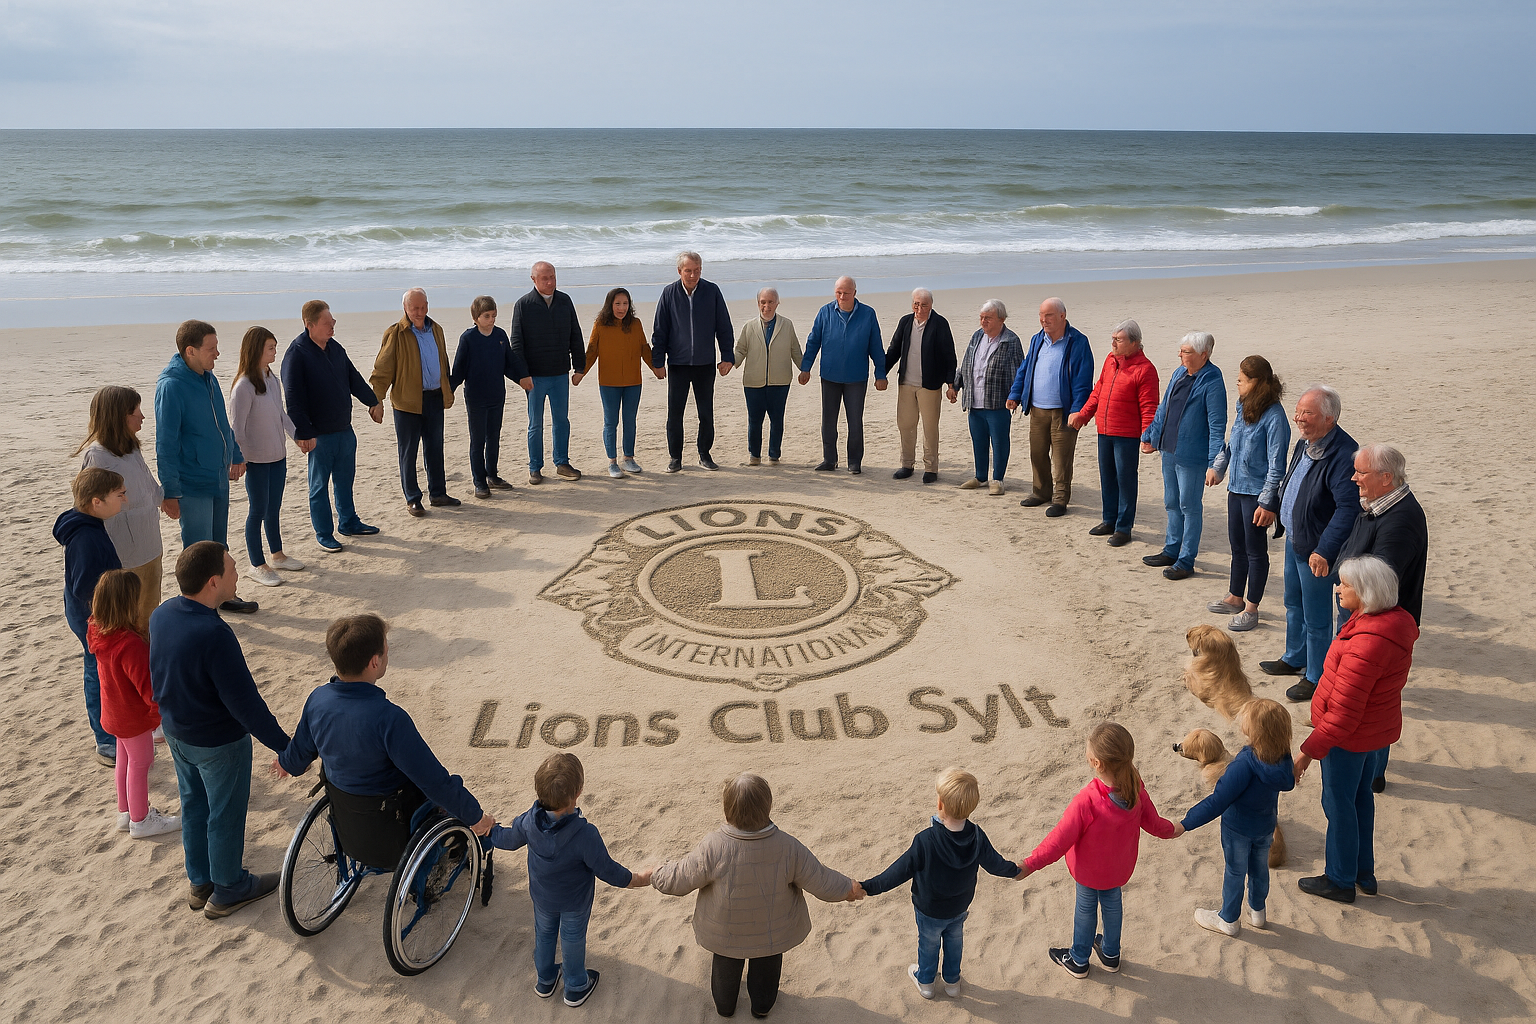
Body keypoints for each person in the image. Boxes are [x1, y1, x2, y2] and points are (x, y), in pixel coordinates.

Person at [150, 541, 292, 919]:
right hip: (218, 742)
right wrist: (286, 748)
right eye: (231, 568)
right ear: (213, 582)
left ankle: (200, 882)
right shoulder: (215, 634)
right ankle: (229, 886)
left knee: (194, 805)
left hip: (178, 733)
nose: (235, 572)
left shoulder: (162, 615)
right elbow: (246, 706)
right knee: (225, 814)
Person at [274, 614, 494, 856]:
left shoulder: (318, 699)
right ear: (375, 662)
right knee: (449, 790)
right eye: (386, 651)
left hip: (348, 819)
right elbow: (433, 780)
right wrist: (475, 816)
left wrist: (286, 763)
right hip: (393, 825)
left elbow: (300, 752)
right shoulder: (389, 718)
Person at [652, 773, 863, 1019]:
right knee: (767, 970)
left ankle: (725, 1007)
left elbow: (680, 878)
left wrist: (655, 874)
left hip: (725, 933)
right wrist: (847, 889)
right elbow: (821, 879)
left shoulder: (713, 846)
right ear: (768, 807)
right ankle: (761, 1008)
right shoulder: (788, 846)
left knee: (724, 971)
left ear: (726, 811)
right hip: (771, 932)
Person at [1293, 556, 1416, 903]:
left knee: (1339, 804)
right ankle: (1363, 872)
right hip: (1374, 733)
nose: (1337, 588)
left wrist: (1306, 752)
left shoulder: (1367, 643)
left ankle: (1340, 880)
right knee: (1360, 799)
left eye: (1344, 584)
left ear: (1364, 592)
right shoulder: (1388, 624)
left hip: (1350, 739)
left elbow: (1344, 715)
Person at [1019, 722, 1182, 979]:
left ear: (1097, 763)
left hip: (1089, 872)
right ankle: (1110, 954)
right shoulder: (1135, 785)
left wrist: (1030, 864)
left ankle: (1078, 959)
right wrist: (1175, 828)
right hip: (1118, 870)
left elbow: (1059, 840)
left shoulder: (1088, 800)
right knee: (1113, 905)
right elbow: (1155, 824)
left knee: (1085, 910)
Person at [490, 752, 651, 1007]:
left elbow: (508, 840)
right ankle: (575, 986)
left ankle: (545, 980)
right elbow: (606, 869)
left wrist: (491, 830)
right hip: (575, 902)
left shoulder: (529, 822)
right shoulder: (585, 835)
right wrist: (637, 878)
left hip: (542, 897)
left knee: (544, 934)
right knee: (572, 939)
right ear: (578, 792)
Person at [858, 768, 1023, 1000]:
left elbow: (898, 872)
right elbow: (995, 864)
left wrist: (868, 887)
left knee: (928, 945)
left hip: (929, 910)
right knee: (955, 943)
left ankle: (925, 981)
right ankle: (952, 982)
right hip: (959, 907)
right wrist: (1015, 870)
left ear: (940, 803)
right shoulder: (977, 835)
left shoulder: (925, 840)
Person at [1258, 386, 1360, 702]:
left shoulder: (1344, 453)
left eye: (1307, 414)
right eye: (1299, 412)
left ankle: (1316, 676)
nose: (1299, 419)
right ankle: (1294, 656)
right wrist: (1273, 504)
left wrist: (1325, 550)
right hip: (1294, 539)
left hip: (1317, 549)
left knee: (1316, 617)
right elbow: (1290, 479)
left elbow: (1348, 509)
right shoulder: (1306, 442)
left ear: (1329, 418)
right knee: (1292, 602)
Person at [1336, 443, 1428, 792]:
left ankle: (1372, 772)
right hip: (1364, 620)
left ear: (1386, 477)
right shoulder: (1379, 504)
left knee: (1375, 700)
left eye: (1361, 472)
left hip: (1378, 627)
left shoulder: (1401, 519)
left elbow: (1380, 580)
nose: (1354, 477)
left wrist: (1346, 589)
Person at [155, 320, 257, 613]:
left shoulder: (207, 376)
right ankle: (198, 611)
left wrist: (235, 453)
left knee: (218, 548)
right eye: (211, 349)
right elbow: (165, 443)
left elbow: (222, 423)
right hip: (192, 484)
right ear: (190, 351)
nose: (218, 354)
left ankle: (222, 597)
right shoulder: (171, 386)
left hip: (217, 478)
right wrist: (170, 492)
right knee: (198, 553)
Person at [1179, 699, 1295, 937]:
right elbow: (1289, 781)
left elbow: (1218, 801)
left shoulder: (1244, 764)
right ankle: (1257, 912)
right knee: (1259, 868)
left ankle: (1228, 919)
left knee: (1235, 871)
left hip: (1238, 830)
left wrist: (1185, 823)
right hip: (1265, 827)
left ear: (1254, 732)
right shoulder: (1283, 759)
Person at [281, 299, 384, 553]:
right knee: (319, 487)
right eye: (327, 323)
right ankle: (324, 533)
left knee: (345, 481)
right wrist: (302, 433)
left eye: (333, 321)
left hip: (344, 430)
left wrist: (373, 402)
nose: (332, 326)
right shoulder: (296, 354)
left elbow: (354, 379)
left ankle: (349, 522)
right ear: (309, 325)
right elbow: (293, 400)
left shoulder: (335, 348)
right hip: (318, 435)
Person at [88, 569, 179, 838]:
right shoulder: (130, 645)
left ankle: (125, 812)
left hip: (113, 713)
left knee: (125, 762)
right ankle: (141, 819)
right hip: (132, 717)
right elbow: (148, 689)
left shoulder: (96, 629)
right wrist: (157, 717)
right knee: (142, 762)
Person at [76, 385, 171, 630]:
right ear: (117, 417)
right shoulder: (97, 456)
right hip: (124, 557)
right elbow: (88, 506)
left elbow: (149, 485)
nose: (142, 416)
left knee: (150, 616)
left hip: (151, 546)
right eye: (135, 411)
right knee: (129, 623)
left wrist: (166, 501)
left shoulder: (132, 449)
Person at [1205, 355, 1289, 630]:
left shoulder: (1275, 416)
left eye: (1242, 380)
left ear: (1256, 383)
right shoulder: (1243, 407)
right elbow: (1232, 444)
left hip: (1257, 494)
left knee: (1256, 552)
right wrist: (1218, 468)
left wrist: (1267, 502)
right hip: (1236, 489)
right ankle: (1235, 596)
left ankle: (1252, 609)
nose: (1238, 384)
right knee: (1237, 547)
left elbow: (1277, 466)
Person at [1139, 332, 1228, 581]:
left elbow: (1217, 425)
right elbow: (1163, 408)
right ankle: (1171, 549)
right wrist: (1150, 436)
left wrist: (1215, 464)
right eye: (1181, 350)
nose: (1180, 355)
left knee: (1189, 507)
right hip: (1169, 450)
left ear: (1203, 355)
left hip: (1192, 456)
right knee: (1171, 502)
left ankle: (1186, 560)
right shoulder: (1179, 373)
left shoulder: (1212, 381)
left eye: (1186, 351)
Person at [54, 466, 126, 765]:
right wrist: (108, 618)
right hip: (93, 620)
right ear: (97, 501)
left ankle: (111, 734)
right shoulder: (85, 537)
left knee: (102, 674)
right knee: (99, 676)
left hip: (91, 616)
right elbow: (86, 587)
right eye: (119, 495)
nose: (125, 500)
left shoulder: (88, 525)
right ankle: (106, 741)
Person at [1068, 320, 1160, 547]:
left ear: (1135, 343)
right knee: (1107, 478)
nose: (1113, 344)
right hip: (1105, 430)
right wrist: (1084, 415)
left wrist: (1147, 436)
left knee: (1126, 480)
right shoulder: (1111, 361)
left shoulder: (1145, 369)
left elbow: (1149, 407)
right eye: (1113, 339)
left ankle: (1123, 527)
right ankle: (1109, 520)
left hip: (1127, 435)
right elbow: (1098, 390)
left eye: (1118, 340)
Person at [371, 288, 458, 516]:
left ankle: (438, 494)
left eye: (422, 307)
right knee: (408, 452)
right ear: (405, 309)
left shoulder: (436, 329)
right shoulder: (396, 333)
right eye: (414, 308)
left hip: (434, 398)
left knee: (435, 448)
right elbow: (383, 368)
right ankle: (412, 498)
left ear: (427, 306)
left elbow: (443, 362)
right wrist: (376, 399)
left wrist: (447, 390)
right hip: (407, 402)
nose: (419, 312)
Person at [1006, 298, 1094, 517]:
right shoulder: (1037, 340)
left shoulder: (1078, 342)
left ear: (1062, 316)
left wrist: (1077, 410)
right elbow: (1025, 369)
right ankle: (1041, 492)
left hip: (1063, 412)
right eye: (1041, 315)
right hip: (1037, 409)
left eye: (1049, 315)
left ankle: (1060, 499)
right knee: (1037, 453)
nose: (1043, 320)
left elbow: (1083, 380)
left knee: (1062, 458)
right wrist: (1015, 394)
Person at [230, 326, 302, 588]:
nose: (274, 351)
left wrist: (297, 438)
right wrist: (237, 458)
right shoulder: (244, 386)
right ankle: (257, 564)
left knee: (274, 508)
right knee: (257, 510)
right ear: (256, 350)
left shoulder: (272, 379)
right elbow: (236, 428)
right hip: (256, 459)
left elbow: (281, 415)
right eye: (270, 348)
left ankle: (277, 555)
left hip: (277, 456)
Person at [651, 251, 734, 473]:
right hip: (677, 364)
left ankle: (704, 454)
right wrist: (657, 361)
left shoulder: (712, 291)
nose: (693, 275)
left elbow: (723, 326)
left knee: (705, 412)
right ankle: (675, 458)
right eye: (688, 270)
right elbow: (660, 330)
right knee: (675, 413)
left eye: (697, 270)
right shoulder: (669, 293)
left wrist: (728, 357)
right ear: (679, 271)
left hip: (705, 364)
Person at [798, 276, 888, 474]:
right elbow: (813, 341)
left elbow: (876, 347)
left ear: (855, 293)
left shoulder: (868, 314)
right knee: (828, 420)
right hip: (830, 376)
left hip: (856, 378)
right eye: (838, 292)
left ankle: (854, 462)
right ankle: (829, 460)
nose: (842, 296)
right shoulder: (825, 312)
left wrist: (880, 374)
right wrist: (806, 368)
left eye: (846, 293)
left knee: (855, 421)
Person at [510, 262, 587, 484]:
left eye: (553, 277)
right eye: (544, 278)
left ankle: (562, 462)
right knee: (536, 423)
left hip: (560, 374)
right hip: (534, 377)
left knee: (562, 421)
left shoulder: (565, 301)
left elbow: (575, 334)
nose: (550, 282)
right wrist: (522, 375)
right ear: (533, 279)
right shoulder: (523, 305)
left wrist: (579, 367)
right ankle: (535, 467)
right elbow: (517, 343)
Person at [450, 295, 531, 499]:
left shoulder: (500, 336)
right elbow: (459, 369)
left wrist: (522, 378)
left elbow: (509, 364)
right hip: (476, 397)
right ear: (476, 317)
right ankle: (479, 481)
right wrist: (448, 390)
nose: (492, 320)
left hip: (496, 395)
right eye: (487, 316)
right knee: (478, 440)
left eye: (494, 315)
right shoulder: (468, 339)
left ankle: (492, 476)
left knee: (493, 437)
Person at [574, 287, 654, 478]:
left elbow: (644, 348)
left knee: (630, 420)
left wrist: (656, 367)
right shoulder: (600, 324)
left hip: (633, 382)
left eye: (625, 303)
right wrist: (580, 372)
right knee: (611, 422)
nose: (622, 308)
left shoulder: (635, 324)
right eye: (617, 304)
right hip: (609, 382)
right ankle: (612, 462)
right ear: (610, 305)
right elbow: (592, 351)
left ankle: (628, 458)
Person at [947, 300, 1024, 495]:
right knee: (978, 440)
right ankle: (980, 476)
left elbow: (1019, 371)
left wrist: (1016, 396)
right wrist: (955, 385)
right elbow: (966, 364)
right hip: (975, 401)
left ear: (1001, 319)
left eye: (988, 318)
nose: (983, 322)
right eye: (981, 317)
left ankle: (997, 479)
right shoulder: (977, 336)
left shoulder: (1011, 341)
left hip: (998, 402)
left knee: (999, 442)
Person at [885, 289, 957, 483]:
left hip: (930, 386)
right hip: (906, 384)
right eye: (916, 304)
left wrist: (951, 384)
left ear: (931, 305)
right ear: (912, 305)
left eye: (924, 305)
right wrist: (880, 373)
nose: (919, 308)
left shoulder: (940, 324)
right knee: (906, 425)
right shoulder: (905, 322)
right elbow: (893, 350)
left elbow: (949, 356)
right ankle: (907, 464)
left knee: (929, 427)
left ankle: (931, 468)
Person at [732, 287, 802, 466]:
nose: (767, 306)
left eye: (771, 302)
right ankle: (754, 455)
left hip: (780, 381)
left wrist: (804, 369)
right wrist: (731, 362)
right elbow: (740, 349)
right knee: (754, 420)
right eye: (763, 302)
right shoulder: (749, 326)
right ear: (758, 304)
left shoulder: (787, 325)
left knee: (777, 419)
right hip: (753, 382)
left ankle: (774, 455)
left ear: (777, 303)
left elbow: (795, 349)